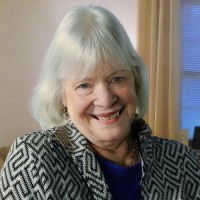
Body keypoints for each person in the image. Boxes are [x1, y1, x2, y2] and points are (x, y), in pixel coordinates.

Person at [0, 5, 200, 200]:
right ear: (61, 95)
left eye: (117, 78)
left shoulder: (184, 162)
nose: (105, 99)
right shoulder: (33, 158)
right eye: (84, 85)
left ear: (135, 81)